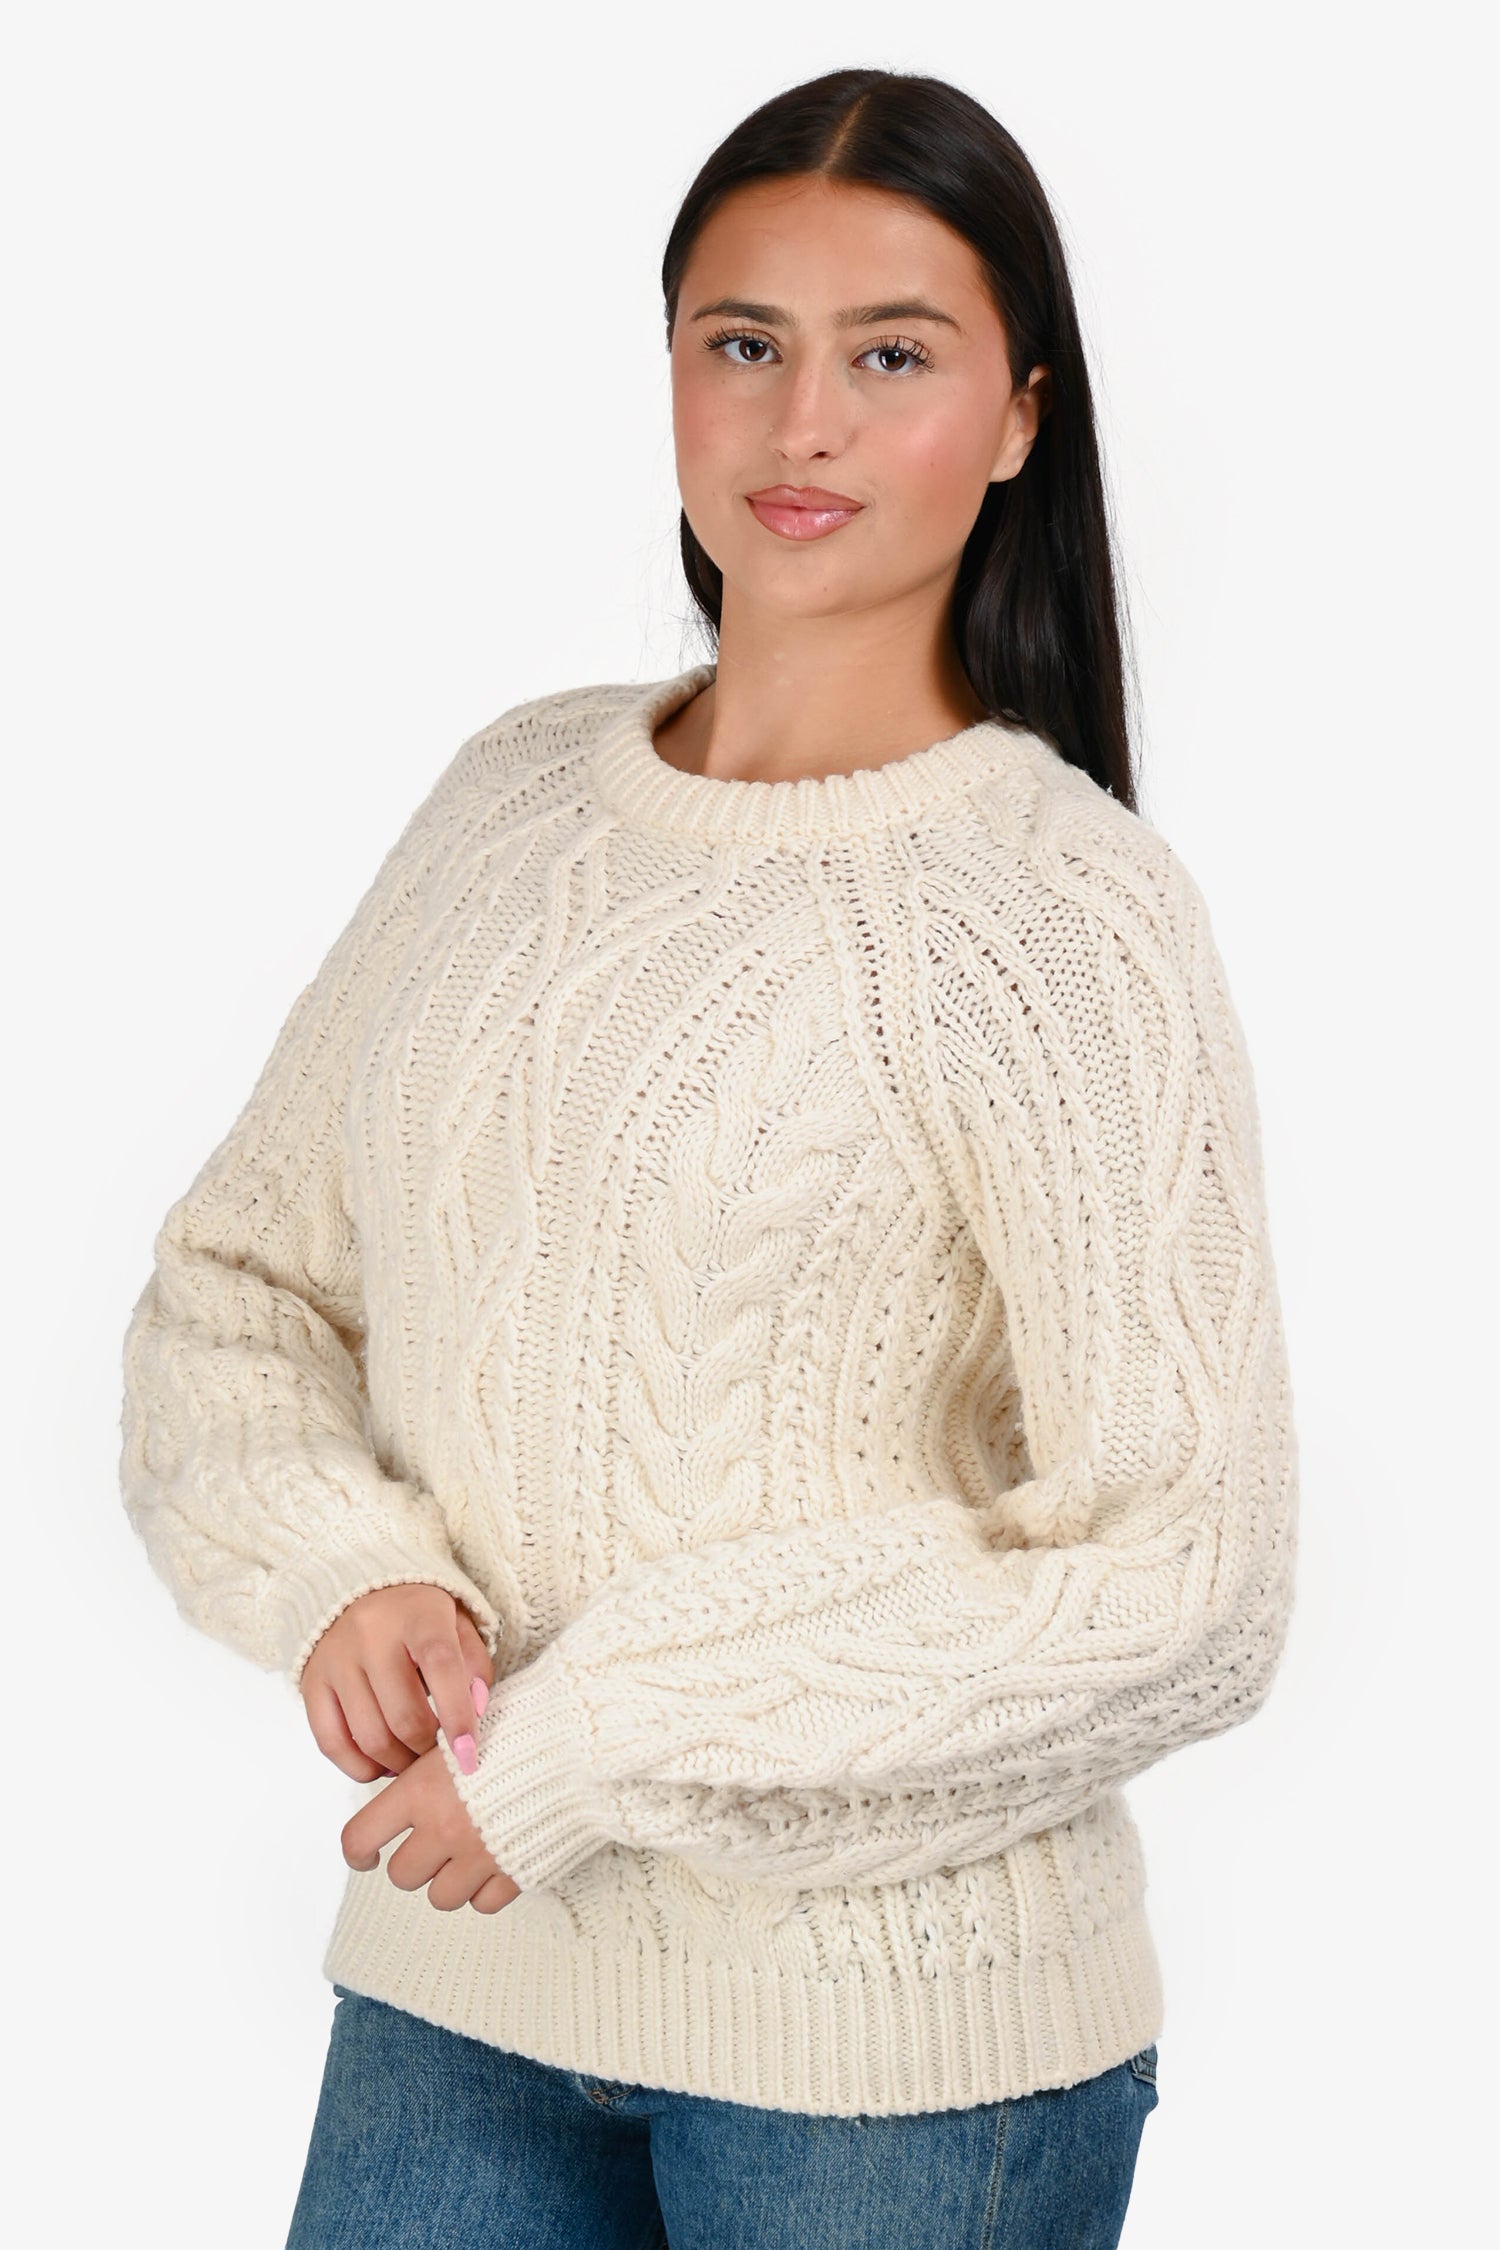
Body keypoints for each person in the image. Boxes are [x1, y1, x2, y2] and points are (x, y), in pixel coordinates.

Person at [119, 64, 1299, 2250]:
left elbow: (1187, 1577)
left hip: (900, 2066)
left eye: (894, 356)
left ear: (1020, 419)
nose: (803, 423)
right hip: (461, 1975)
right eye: (744, 341)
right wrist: (338, 1562)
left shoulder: (1062, 913)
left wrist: (592, 1746)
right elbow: (241, 1284)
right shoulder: (512, 797)